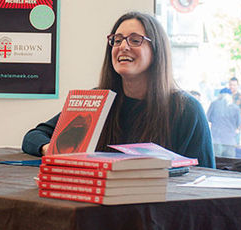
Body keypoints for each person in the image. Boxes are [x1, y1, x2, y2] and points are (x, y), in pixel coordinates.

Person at [22, 12, 215, 168]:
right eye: (117, 40)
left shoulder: (186, 109)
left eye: (135, 40)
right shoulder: (96, 100)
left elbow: (205, 178)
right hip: (97, 206)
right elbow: (33, 136)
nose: (123, 47)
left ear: (157, 51)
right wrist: (50, 149)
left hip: (160, 210)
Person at [207, 88, 241, 158]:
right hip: (230, 141)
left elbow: (208, 118)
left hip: (216, 141)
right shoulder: (235, 108)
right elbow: (238, 124)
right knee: (230, 164)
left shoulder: (213, 104)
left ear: (219, 95)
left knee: (217, 163)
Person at [229, 77, 241, 144]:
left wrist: (239, 128)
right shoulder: (225, 97)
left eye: (234, 85)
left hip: (235, 129)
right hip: (225, 129)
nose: (232, 87)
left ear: (237, 86)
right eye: (230, 84)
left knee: (234, 149)